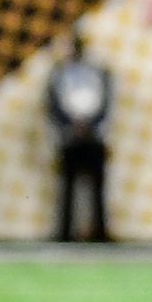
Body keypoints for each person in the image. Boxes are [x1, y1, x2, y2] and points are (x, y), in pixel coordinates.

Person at [46, 29, 112, 242]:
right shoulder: (59, 73)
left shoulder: (97, 72)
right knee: (66, 189)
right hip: (68, 136)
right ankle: (64, 234)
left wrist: (90, 125)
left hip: (94, 135)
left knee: (97, 190)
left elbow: (105, 102)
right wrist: (70, 126)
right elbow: (53, 105)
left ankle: (100, 234)